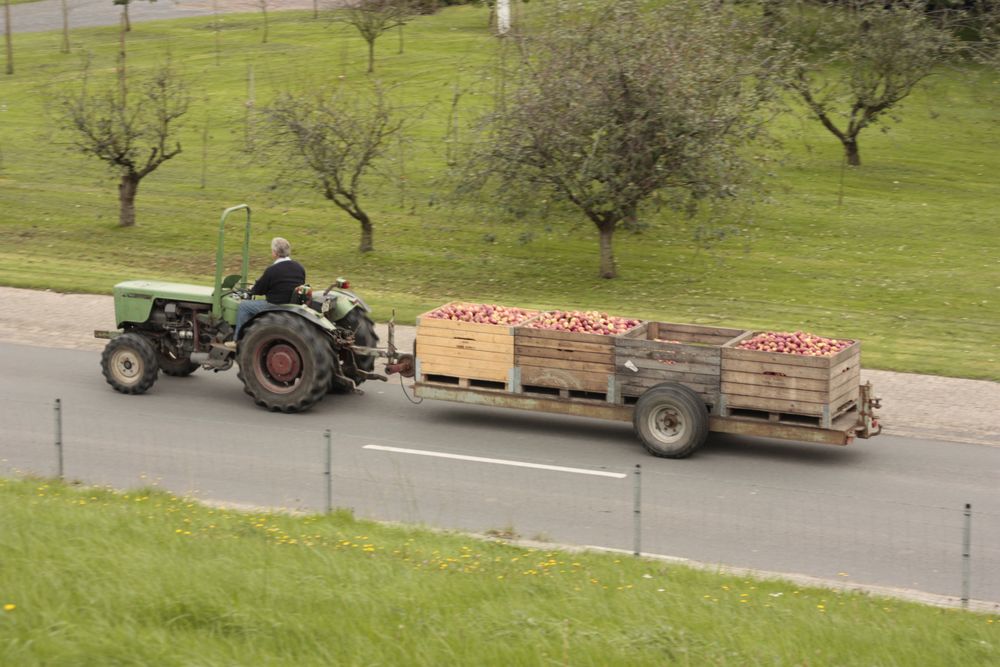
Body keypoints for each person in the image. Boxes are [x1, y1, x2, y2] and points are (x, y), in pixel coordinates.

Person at [233, 237, 306, 342]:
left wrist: (252, 288)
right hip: (292, 304)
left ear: (275, 253)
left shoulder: (272, 270)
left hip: (275, 305)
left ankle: (238, 341)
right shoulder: (299, 267)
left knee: (244, 306)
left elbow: (259, 290)